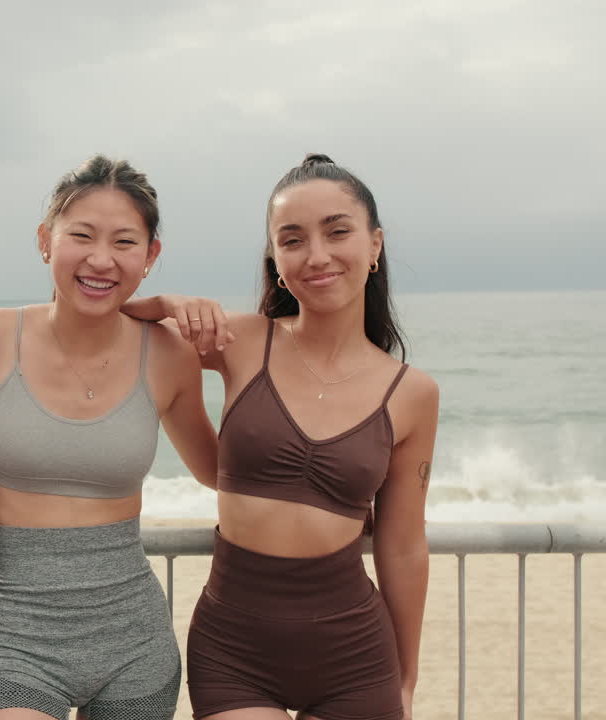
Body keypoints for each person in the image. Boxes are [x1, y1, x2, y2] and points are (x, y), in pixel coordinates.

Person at [127, 153, 437, 719]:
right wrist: (169, 303)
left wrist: (407, 675)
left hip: (356, 657)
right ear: (275, 258)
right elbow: (103, 323)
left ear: (374, 245)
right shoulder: (239, 341)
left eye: (337, 231)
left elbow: (403, 545)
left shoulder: (412, 393)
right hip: (234, 652)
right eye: (292, 239)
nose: (316, 255)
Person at [0, 155, 219, 720]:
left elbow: (221, 473)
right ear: (45, 240)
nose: (101, 259)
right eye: (81, 235)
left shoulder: (169, 355)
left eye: (125, 242)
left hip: (135, 642)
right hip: (17, 639)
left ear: (150, 257)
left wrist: (230, 352)